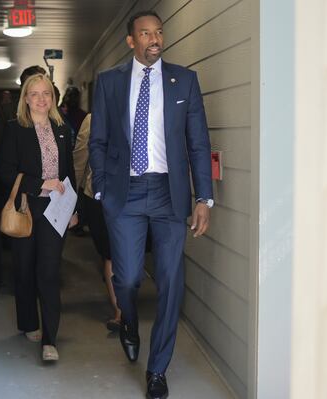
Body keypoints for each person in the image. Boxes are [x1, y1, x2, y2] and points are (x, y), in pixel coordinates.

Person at [89, 10, 213, 399]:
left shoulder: (185, 81)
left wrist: (204, 198)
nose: (154, 39)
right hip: (124, 194)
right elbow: (99, 140)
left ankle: (157, 370)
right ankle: (127, 320)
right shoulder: (110, 83)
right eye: (145, 33)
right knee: (126, 279)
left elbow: (198, 143)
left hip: (169, 194)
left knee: (172, 283)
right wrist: (102, 190)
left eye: (159, 32)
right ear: (131, 41)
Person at [0, 73, 78, 362]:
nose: (42, 99)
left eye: (47, 93)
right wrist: (38, 183)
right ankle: (28, 322)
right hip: (26, 207)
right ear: (26, 98)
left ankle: (50, 339)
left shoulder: (62, 129)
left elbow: (69, 172)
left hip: (56, 210)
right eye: (35, 94)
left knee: (48, 272)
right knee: (24, 269)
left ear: (53, 98)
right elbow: (6, 174)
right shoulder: (15, 129)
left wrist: (73, 208)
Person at [73, 114, 122, 331]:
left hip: (137, 196)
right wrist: (72, 195)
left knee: (126, 252)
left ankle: (123, 307)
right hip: (99, 196)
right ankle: (120, 311)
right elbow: (80, 159)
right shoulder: (93, 120)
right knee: (110, 253)